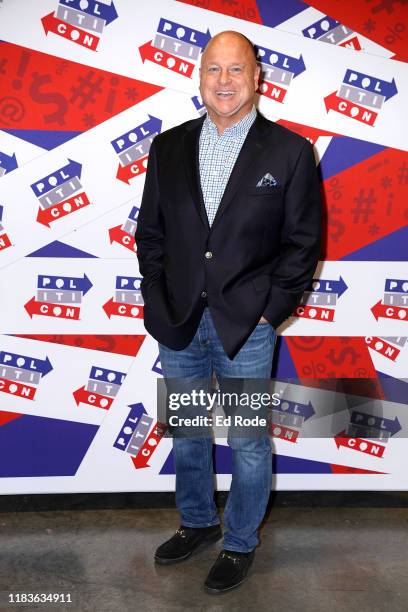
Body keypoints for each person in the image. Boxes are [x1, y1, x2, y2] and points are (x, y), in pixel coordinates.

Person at [135, 30, 321, 593]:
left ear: (257, 77)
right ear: (198, 76)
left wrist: (271, 311)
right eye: (213, 69)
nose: (223, 81)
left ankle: (239, 543)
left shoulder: (289, 151)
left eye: (235, 69)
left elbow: (303, 243)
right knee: (189, 432)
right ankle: (197, 522)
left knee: (246, 440)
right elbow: (152, 234)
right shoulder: (167, 147)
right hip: (180, 323)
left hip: (249, 328)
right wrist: (159, 298)